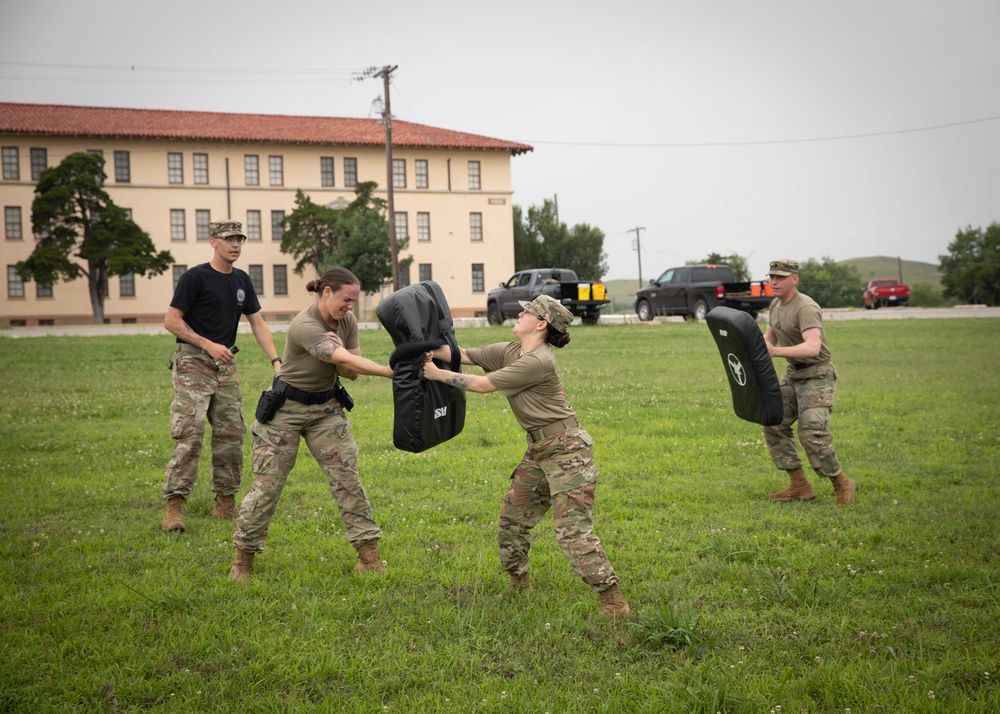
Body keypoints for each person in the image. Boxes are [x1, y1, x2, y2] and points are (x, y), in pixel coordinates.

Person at [422, 294, 630, 620]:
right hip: (539, 449)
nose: (519, 313)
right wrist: (425, 350)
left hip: (567, 452)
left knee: (572, 531)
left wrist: (437, 375)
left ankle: (613, 600)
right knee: (512, 520)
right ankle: (519, 586)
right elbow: (461, 354)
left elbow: (483, 384)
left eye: (527, 311)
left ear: (542, 324)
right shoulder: (509, 351)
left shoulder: (539, 361)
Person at [229, 267, 393, 580]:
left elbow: (351, 372)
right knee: (267, 487)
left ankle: (369, 559)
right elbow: (345, 360)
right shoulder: (304, 325)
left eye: (355, 301)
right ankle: (242, 562)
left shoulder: (348, 321)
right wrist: (385, 370)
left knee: (348, 480)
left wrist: (341, 353)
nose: (351, 306)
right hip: (285, 411)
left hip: (326, 410)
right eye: (346, 299)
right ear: (326, 292)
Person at [161, 221, 281, 533]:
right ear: (213, 241)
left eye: (240, 238)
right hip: (193, 361)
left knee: (231, 432)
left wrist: (277, 361)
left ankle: (225, 501)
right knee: (190, 432)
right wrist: (207, 344)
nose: (236, 244)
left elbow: (257, 322)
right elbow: (171, 321)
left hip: (225, 365)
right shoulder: (195, 277)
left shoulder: (242, 280)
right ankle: (175, 505)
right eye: (229, 239)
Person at [763, 259, 856, 504]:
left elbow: (813, 347)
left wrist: (776, 352)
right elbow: (768, 338)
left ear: (795, 279)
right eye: (772, 276)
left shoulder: (806, 306)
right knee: (773, 422)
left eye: (780, 277)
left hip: (818, 374)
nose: (774, 281)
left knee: (812, 432)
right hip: (794, 373)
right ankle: (800, 485)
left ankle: (842, 483)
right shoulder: (775, 305)